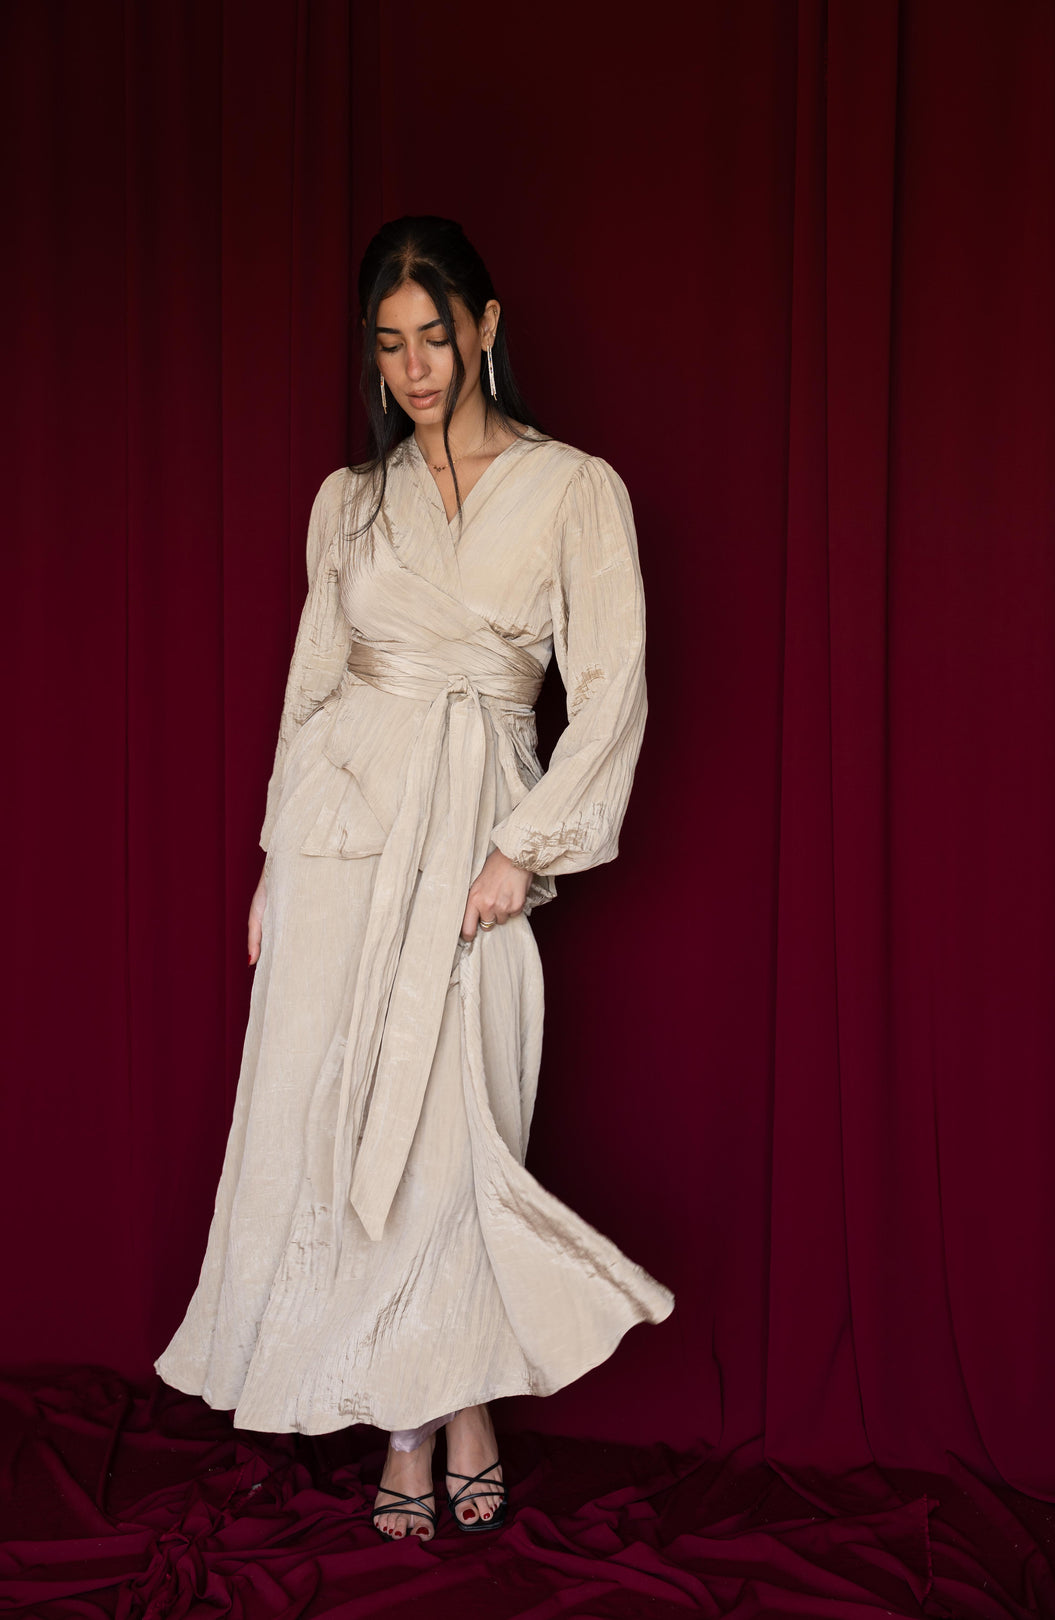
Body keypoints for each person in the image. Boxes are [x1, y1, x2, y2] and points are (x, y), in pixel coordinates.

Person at [155, 215, 674, 1542]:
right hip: (340, 840)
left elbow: (610, 690)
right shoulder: (351, 502)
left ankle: (456, 1397)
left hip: (474, 830)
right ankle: (419, 1426)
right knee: (340, 1131)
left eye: (434, 338)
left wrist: (523, 848)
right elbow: (309, 687)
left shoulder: (574, 490)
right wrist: (271, 867)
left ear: (485, 330)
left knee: (453, 1125)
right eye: (389, 345)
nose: (414, 368)